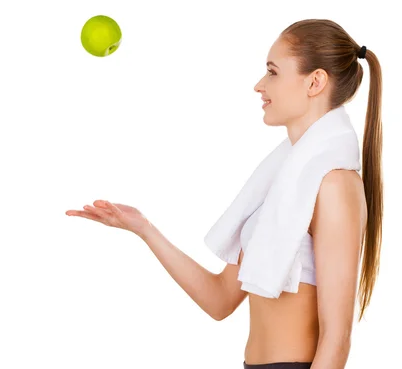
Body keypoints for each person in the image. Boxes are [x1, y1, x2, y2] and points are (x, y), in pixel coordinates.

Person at [66, 18, 383, 369]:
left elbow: (336, 340)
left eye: (273, 72)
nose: (260, 85)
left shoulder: (335, 184)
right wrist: (144, 229)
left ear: (315, 81)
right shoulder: (283, 184)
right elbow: (220, 300)